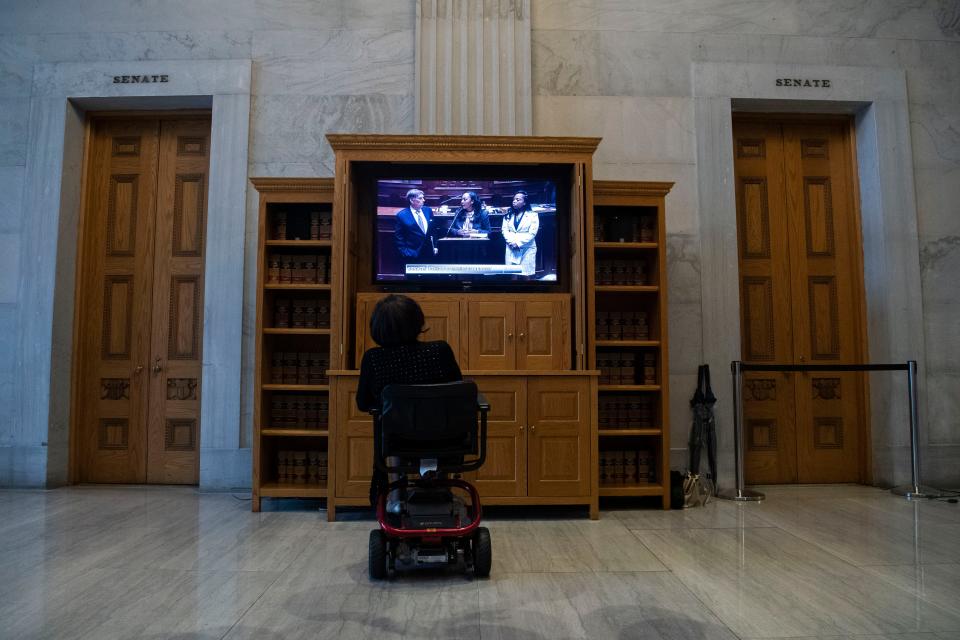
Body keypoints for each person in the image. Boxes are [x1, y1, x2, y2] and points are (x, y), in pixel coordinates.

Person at [356, 294, 463, 510]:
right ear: (417, 321)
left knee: (394, 425)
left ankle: (396, 499)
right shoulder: (440, 351)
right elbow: (457, 393)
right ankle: (444, 493)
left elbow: (363, 403)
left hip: (398, 442)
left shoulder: (373, 359)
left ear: (378, 327)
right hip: (446, 439)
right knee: (443, 426)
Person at [501, 190, 539, 276]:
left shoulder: (533, 215)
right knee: (512, 274)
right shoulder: (508, 214)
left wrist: (518, 243)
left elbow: (532, 233)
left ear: (524, 202)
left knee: (526, 274)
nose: (514, 201)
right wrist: (511, 242)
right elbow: (504, 230)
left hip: (526, 248)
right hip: (511, 247)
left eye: (518, 200)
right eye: (514, 199)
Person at [394, 188, 436, 264]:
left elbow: (432, 230)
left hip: (429, 253)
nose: (423, 200)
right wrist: (405, 252)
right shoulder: (402, 215)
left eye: (423, 198)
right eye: (420, 198)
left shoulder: (428, 210)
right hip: (412, 254)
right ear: (411, 200)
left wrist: (435, 246)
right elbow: (399, 237)